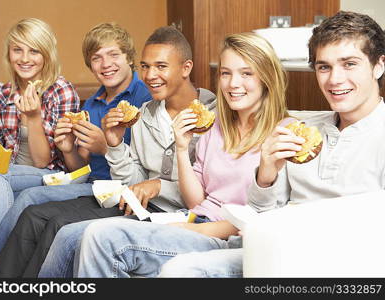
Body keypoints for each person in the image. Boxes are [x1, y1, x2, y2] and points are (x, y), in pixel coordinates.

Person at [159, 10, 385, 277]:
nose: (334, 79)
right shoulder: (302, 130)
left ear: (379, 65)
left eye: (349, 64)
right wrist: (265, 176)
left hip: (341, 265)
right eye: (324, 67)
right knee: (181, 270)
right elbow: (264, 211)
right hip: (273, 251)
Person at [71, 31, 294, 278]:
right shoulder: (216, 125)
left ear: (267, 77)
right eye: (226, 73)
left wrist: (196, 230)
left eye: (246, 73)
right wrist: (181, 146)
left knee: (104, 238)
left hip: (228, 239)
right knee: (94, 233)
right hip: (193, 219)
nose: (233, 84)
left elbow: (269, 217)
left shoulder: (285, 134)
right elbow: (195, 201)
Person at [30, 25, 217, 278]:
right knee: (53, 225)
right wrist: (116, 145)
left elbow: (210, 194)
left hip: (184, 216)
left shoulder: (213, 118)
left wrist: (159, 185)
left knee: (69, 233)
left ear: (186, 68)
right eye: (146, 67)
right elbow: (133, 182)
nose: (151, 75)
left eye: (161, 66)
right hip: (143, 209)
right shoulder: (142, 114)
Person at [0, 22, 151, 276]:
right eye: (96, 58)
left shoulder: (145, 97)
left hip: (103, 186)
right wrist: (67, 149)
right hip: (88, 182)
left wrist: (106, 147)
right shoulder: (95, 103)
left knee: (18, 193)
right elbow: (81, 167)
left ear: (129, 58)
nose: (105, 64)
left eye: (113, 55)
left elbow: (49, 163)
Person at [0, 18, 80, 264]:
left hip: (49, 178)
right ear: (9, 54)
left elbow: (43, 162)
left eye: (34, 50)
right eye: (18, 49)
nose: (25, 58)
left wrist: (33, 118)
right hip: (3, 179)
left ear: (46, 55)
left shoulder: (61, 91)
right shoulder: (0, 97)